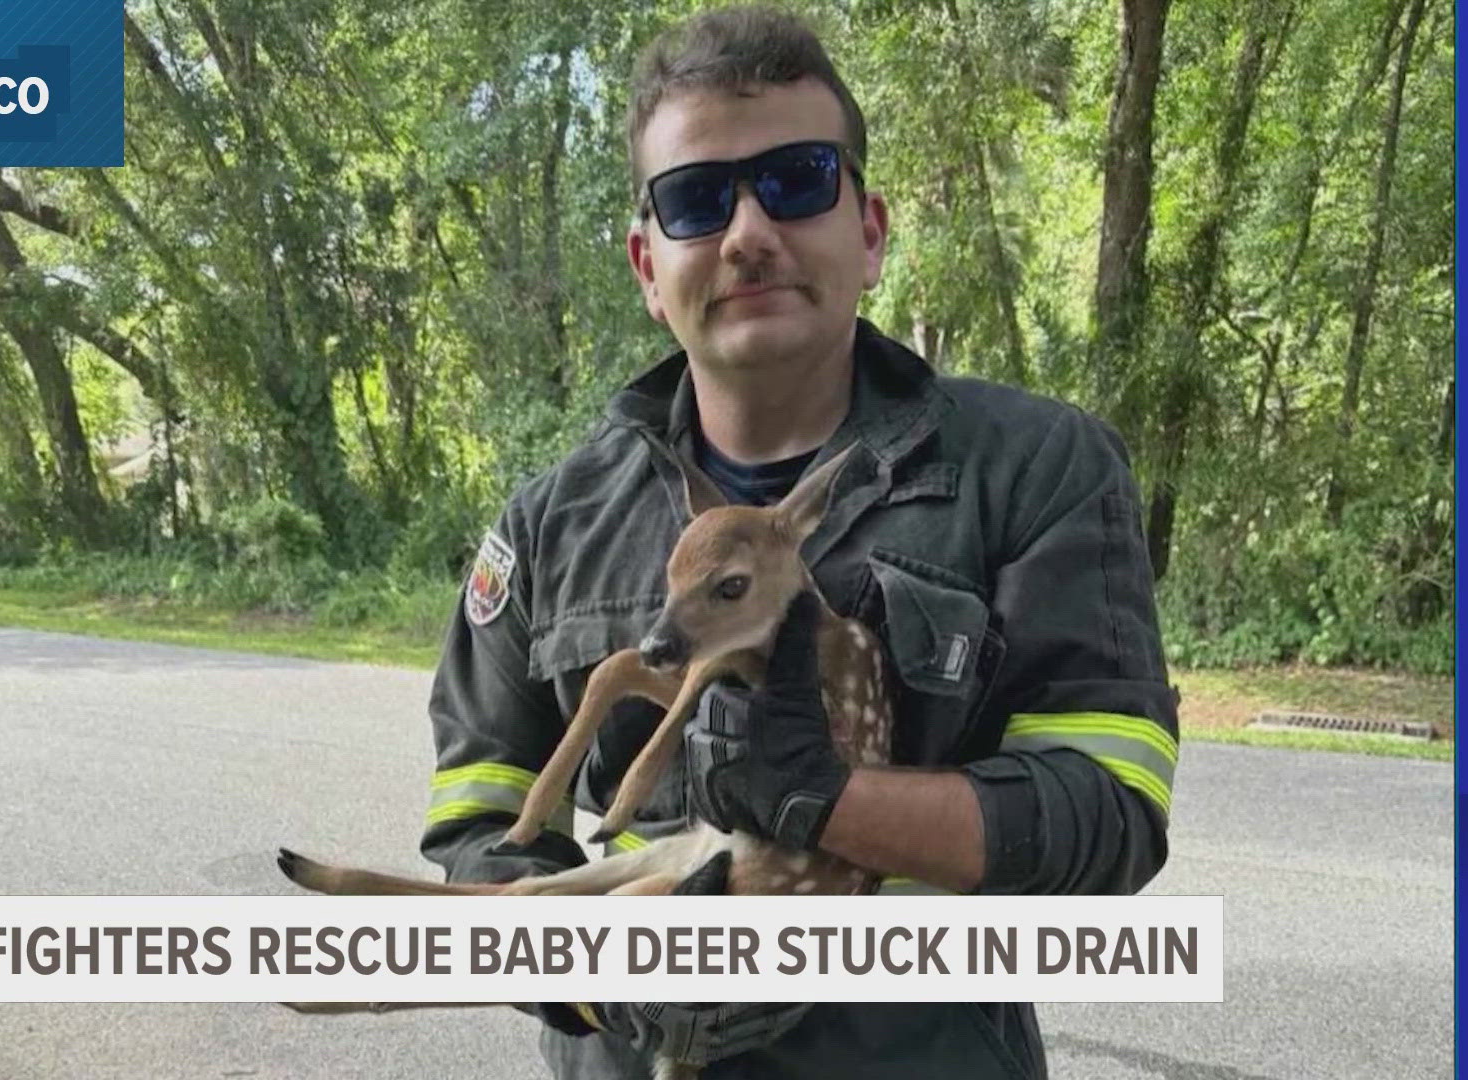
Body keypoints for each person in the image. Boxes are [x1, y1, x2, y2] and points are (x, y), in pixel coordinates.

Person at [419, 5, 1178, 1077]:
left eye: (795, 179)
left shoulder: (1035, 470)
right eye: (695, 200)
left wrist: (836, 799)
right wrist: (579, 978)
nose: (746, 234)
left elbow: (1110, 812)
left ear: (868, 230)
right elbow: (478, 808)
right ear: (647, 263)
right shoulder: (552, 522)